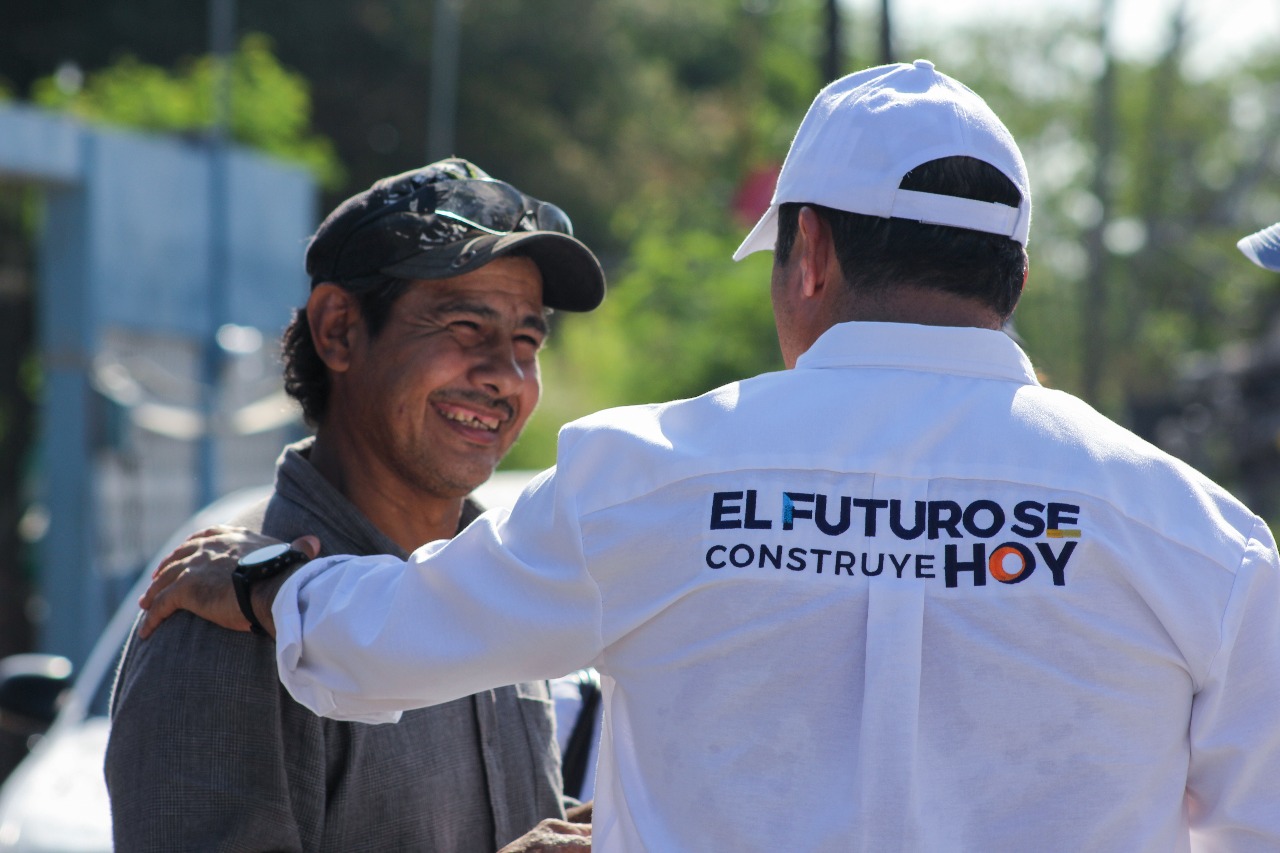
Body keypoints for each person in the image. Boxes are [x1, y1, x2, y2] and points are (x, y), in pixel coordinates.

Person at [140, 61, 1280, 851]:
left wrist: (259, 577)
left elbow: (379, 644)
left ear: (811, 252)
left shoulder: (647, 478)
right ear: (1013, 280)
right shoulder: (1199, 540)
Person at [106, 157, 602, 852]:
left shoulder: (498, 589)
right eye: (465, 326)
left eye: (526, 340)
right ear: (338, 329)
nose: (504, 376)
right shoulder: (228, 615)